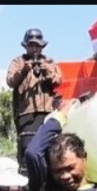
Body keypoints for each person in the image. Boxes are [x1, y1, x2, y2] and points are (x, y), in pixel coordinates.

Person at [7, 28, 63, 167]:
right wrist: (24, 71)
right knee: (28, 148)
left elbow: (59, 81)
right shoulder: (18, 62)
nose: (34, 49)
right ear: (26, 46)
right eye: (31, 45)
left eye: (37, 45)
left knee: (50, 149)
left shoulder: (49, 62)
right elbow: (10, 81)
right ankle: (27, 184)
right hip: (27, 114)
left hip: (48, 113)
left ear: (42, 46)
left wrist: (48, 71)